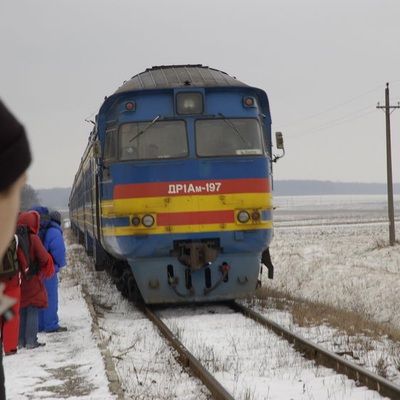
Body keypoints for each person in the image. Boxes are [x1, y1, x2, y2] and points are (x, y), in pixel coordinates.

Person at [0, 99, 32, 400]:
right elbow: (24, 261)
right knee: (8, 317)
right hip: (10, 286)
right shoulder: (16, 239)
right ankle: (10, 346)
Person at [18, 211, 54, 350]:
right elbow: (44, 258)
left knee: (22, 309)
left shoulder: (14, 237)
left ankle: (20, 341)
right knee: (32, 308)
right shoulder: (33, 238)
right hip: (32, 277)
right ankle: (31, 341)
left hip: (18, 279)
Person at [38, 210, 67, 333]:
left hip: (37, 269)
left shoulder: (41, 230)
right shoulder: (54, 232)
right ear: (58, 221)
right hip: (49, 269)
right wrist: (61, 264)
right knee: (50, 297)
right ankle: (51, 325)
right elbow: (59, 251)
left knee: (39, 298)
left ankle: (39, 326)